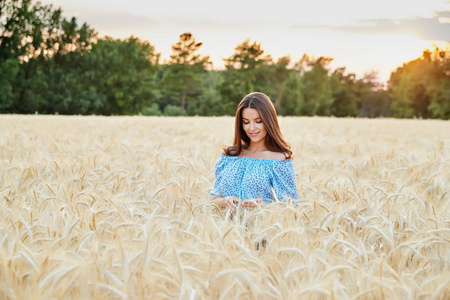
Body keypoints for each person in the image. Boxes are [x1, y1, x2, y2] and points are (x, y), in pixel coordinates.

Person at [210, 92, 298, 212]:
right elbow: (213, 198)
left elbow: (291, 208)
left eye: (258, 121)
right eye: (246, 122)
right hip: (224, 229)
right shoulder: (229, 156)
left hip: (260, 229)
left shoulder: (280, 160)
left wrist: (264, 208)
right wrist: (223, 201)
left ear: (269, 121)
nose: (251, 128)